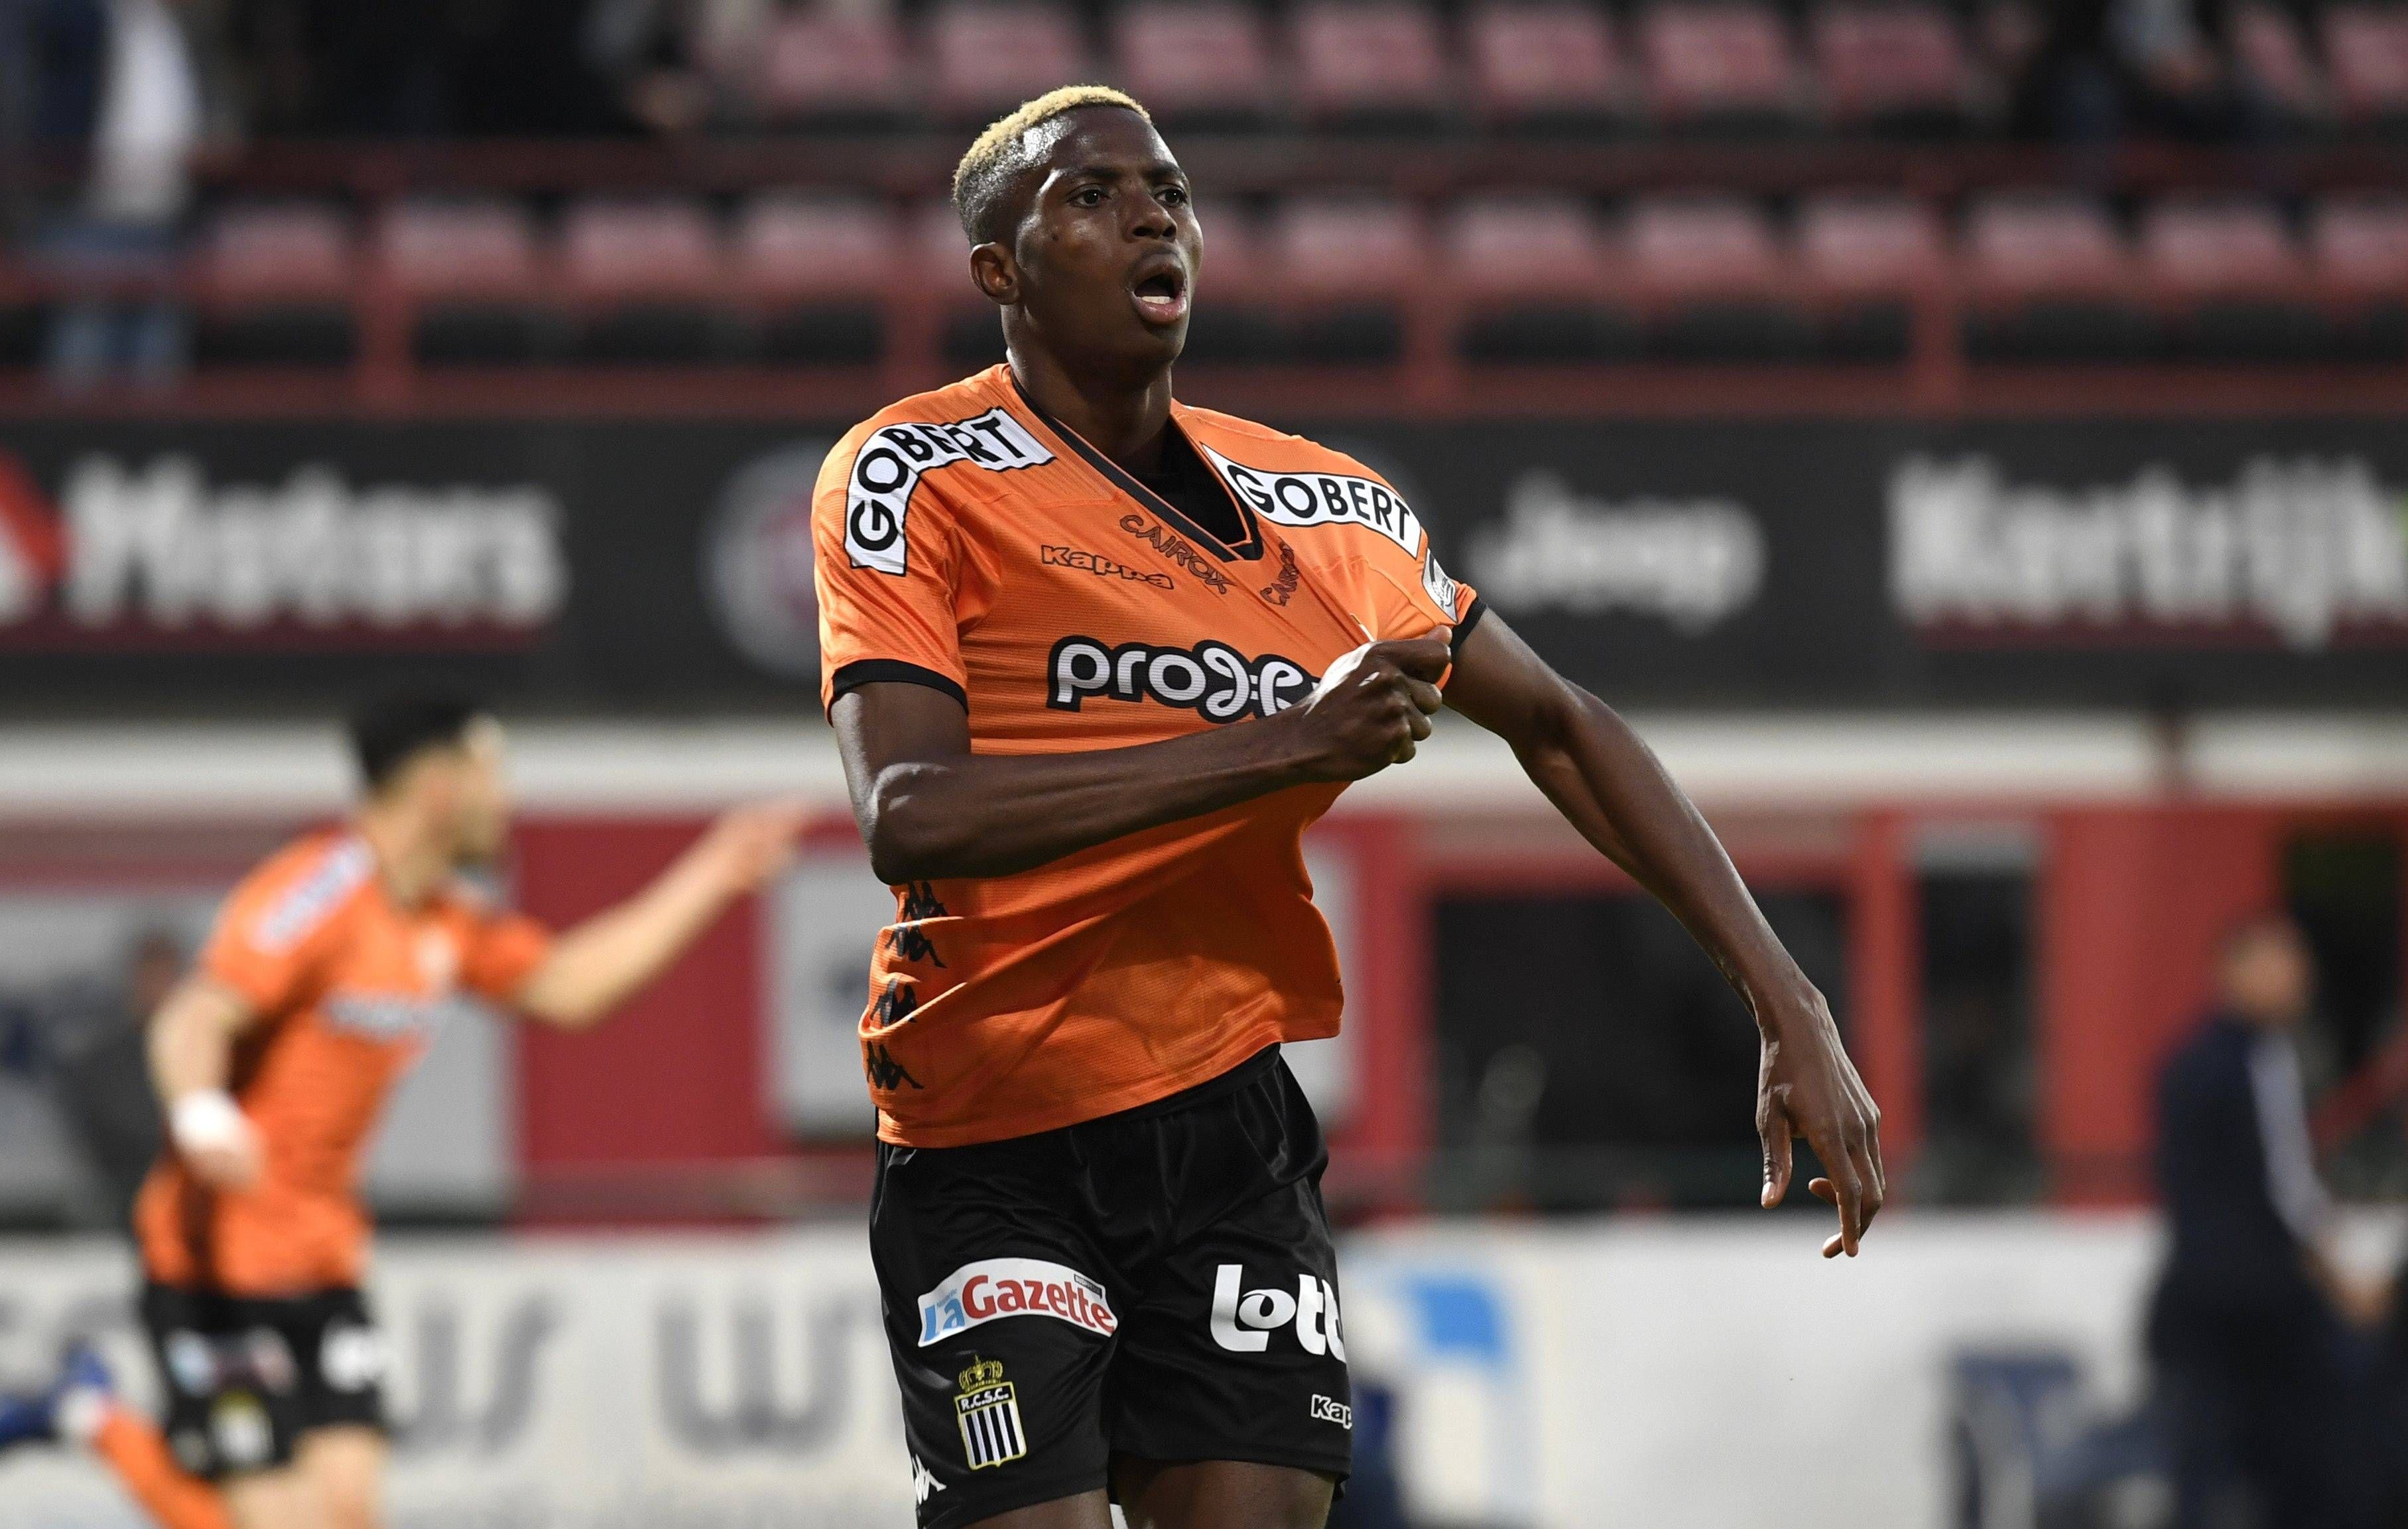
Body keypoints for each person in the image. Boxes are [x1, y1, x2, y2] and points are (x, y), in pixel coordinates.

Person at [814, 85, 1885, 1529]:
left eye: (1170, 191)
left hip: (1224, 1124)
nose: (1151, 215)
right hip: (987, 1134)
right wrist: (1276, 743)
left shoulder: (1332, 512)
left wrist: (1786, 999)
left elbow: (1565, 727)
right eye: (1090, 194)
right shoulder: (913, 476)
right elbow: (911, 812)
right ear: (996, 272)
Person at [1, 694, 804, 1529]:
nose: (510, 799)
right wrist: (203, 1114)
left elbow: (571, 984)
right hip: (213, 1267)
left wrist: (717, 871)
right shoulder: (318, 892)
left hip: (324, 1264)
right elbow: (194, 1015)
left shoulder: (444, 922)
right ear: (439, 786)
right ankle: (93, 1418)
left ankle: (81, 1411)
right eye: (493, 774)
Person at [2149, 912, 2392, 1529]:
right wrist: (2337, 1275)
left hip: (2201, 1296)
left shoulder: (2184, 1061)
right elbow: (2286, 1183)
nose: (2299, 980)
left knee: (2204, 1472)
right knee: (2311, 1460)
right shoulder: (2259, 1059)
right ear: (2235, 971)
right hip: (2260, 1302)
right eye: (2283, 964)